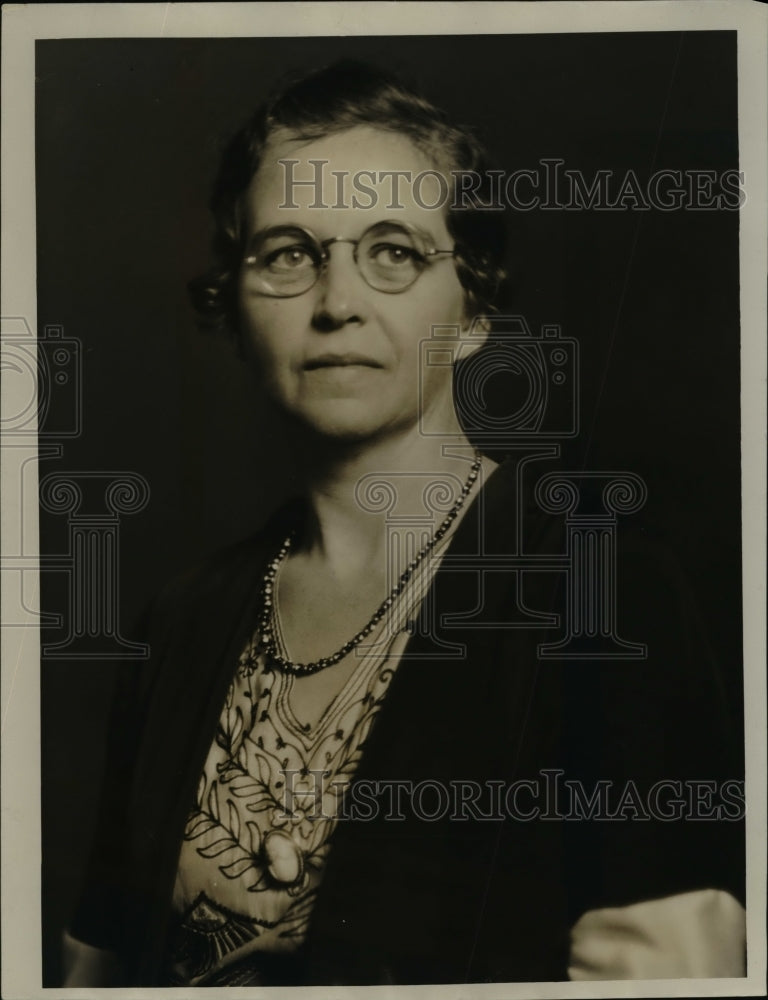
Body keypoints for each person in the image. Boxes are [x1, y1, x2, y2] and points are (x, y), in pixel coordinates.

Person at [63, 60, 746, 987]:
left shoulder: (600, 584)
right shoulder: (178, 623)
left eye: (392, 251)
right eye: (289, 254)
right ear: (232, 304)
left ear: (473, 305)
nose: (338, 303)